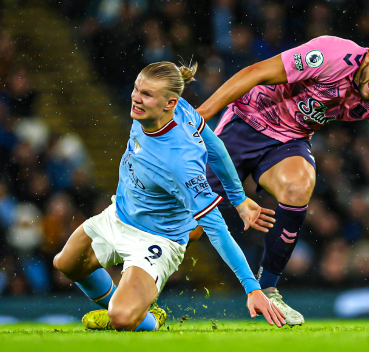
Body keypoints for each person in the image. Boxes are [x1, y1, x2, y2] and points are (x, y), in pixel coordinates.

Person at [53, 61, 286, 332]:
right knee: (66, 264)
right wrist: (239, 199)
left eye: (146, 94)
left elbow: (217, 229)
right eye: (136, 89)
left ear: (169, 103)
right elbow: (216, 146)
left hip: (156, 239)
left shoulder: (180, 162)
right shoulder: (176, 109)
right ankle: (127, 305)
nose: (136, 98)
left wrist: (251, 287)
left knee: (122, 319)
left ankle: (145, 318)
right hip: (119, 215)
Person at [193, 35, 369, 326]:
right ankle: (131, 276)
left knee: (297, 186)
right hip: (247, 122)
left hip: (289, 140)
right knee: (194, 227)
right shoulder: (332, 54)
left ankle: (268, 288)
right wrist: (199, 117)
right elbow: (256, 72)